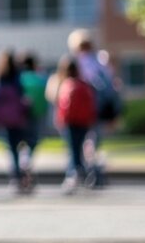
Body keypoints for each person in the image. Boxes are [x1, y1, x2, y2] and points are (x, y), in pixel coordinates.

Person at [67, 29, 121, 188]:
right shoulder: (100, 62)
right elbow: (112, 86)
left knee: (78, 143)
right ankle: (96, 169)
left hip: (83, 110)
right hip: (100, 108)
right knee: (94, 140)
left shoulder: (78, 64)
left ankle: (81, 172)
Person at [0, 49, 32, 194]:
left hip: (4, 118)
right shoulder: (18, 76)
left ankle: (15, 176)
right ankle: (23, 171)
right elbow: (24, 95)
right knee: (21, 145)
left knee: (11, 149)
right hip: (17, 117)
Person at [54, 55, 96, 195]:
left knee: (73, 150)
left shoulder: (66, 85)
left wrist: (60, 120)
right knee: (79, 149)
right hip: (83, 122)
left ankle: (73, 175)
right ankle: (82, 174)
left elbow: (64, 106)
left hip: (70, 122)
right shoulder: (84, 85)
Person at [18, 52, 47, 165]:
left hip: (21, 113)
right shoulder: (40, 78)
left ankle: (23, 158)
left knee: (22, 139)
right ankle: (27, 158)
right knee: (33, 138)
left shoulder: (20, 78)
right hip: (37, 112)